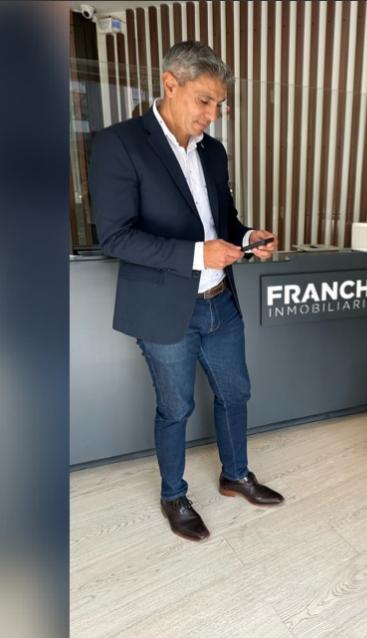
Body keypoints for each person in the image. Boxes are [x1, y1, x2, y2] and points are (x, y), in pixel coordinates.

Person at [88, 41, 284, 542]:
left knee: (236, 393)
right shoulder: (119, 144)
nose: (212, 114)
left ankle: (235, 475)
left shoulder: (213, 152)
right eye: (204, 100)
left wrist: (248, 237)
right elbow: (115, 237)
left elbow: (224, 222)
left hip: (221, 302)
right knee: (175, 409)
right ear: (169, 84)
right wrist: (199, 254)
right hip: (164, 309)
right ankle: (173, 495)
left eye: (219, 104)